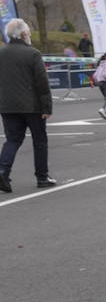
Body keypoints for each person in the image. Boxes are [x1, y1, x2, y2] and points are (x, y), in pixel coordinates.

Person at [0, 18, 56, 192]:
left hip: (7, 105)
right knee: (40, 140)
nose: (30, 35)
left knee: (12, 139)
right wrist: (47, 107)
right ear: (23, 34)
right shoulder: (33, 54)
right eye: (29, 33)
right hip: (32, 105)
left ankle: (3, 171)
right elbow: (42, 82)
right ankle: (42, 176)